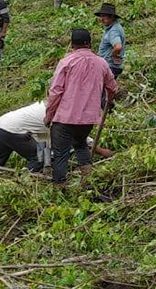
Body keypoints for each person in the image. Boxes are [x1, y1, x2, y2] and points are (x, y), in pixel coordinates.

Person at [44, 29, 118, 186]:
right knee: (81, 144)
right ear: (90, 44)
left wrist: (49, 116)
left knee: (60, 154)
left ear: (72, 44)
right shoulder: (102, 63)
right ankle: (88, 181)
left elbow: (56, 91)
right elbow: (112, 87)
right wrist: (109, 101)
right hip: (88, 118)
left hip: (65, 117)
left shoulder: (67, 62)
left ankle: (60, 187)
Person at [0, 99, 113, 172]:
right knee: (39, 159)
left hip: (1, 124)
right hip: (14, 129)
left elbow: (44, 135)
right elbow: (77, 138)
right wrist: (102, 151)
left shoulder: (55, 106)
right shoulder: (62, 114)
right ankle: (23, 180)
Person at [95, 2, 125, 79]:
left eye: (104, 16)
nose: (101, 19)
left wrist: (113, 55)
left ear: (112, 17)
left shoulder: (113, 31)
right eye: (101, 16)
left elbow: (118, 47)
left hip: (109, 66)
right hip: (111, 66)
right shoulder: (115, 27)